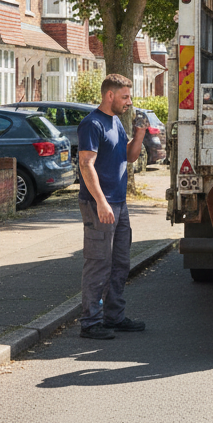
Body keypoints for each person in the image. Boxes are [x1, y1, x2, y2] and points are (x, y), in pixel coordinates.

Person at [77, 73, 148, 340]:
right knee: (98, 263)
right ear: (110, 96)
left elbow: (129, 156)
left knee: (120, 263)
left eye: (129, 97)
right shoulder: (92, 124)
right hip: (100, 205)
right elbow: (86, 164)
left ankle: (114, 317)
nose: (129, 102)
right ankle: (90, 322)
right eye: (125, 97)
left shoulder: (115, 122)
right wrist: (101, 202)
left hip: (119, 203)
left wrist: (140, 133)